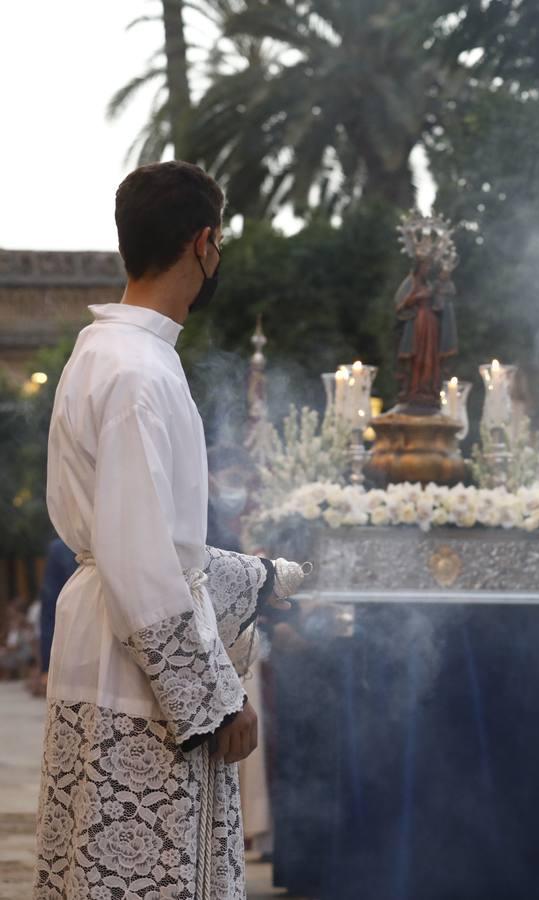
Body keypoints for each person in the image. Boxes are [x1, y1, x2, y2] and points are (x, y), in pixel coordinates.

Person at [34, 162, 305, 899]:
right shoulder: (139, 372)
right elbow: (143, 565)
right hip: (139, 675)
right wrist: (216, 700)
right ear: (204, 244)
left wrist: (255, 576)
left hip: (106, 640)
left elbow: (145, 546)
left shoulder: (110, 354)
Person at [36, 538, 78, 696]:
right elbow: (50, 611)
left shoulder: (61, 548)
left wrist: (47, 667)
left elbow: (49, 611)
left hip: (73, 649)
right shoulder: (60, 549)